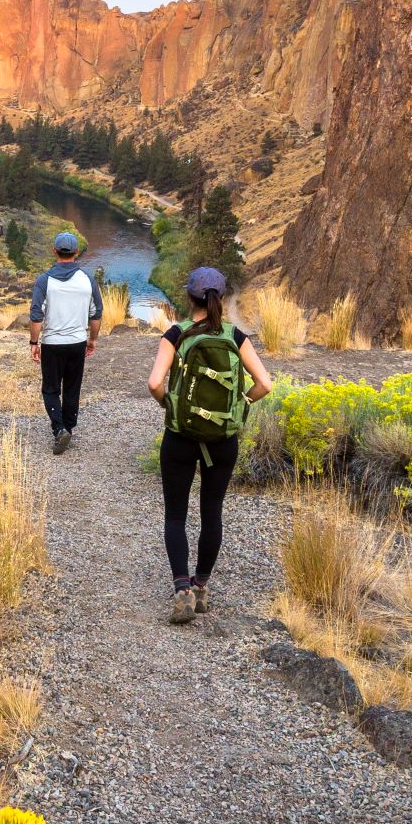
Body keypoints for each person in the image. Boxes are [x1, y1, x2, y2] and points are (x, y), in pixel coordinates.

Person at [147, 265, 272, 622]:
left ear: (190, 297)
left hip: (180, 437)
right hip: (223, 439)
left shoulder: (175, 334)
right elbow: (265, 383)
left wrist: (170, 406)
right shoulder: (236, 337)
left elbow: (155, 383)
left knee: (175, 513)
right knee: (211, 512)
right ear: (221, 297)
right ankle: (201, 586)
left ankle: (181, 588)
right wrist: (240, 405)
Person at [28, 229, 102, 453]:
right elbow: (96, 314)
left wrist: (34, 342)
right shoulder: (87, 280)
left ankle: (59, 429)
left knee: (51, 389)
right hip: (77, 342)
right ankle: (68, 427)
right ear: (76, 252)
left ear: (55, 251)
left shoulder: (44, 280)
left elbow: (36, 315)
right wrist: (93, 340)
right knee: (72, 387)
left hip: (52, 344)